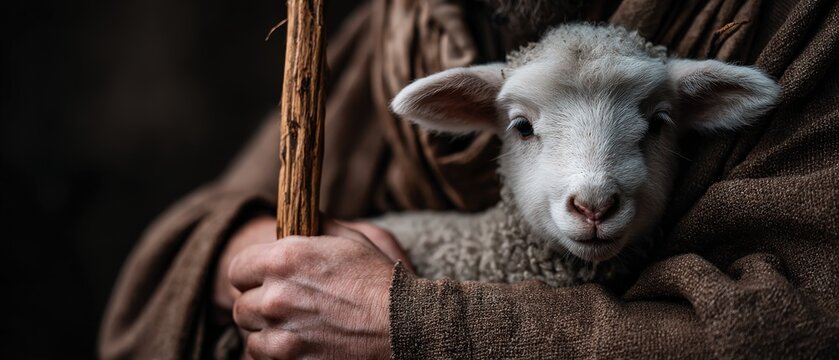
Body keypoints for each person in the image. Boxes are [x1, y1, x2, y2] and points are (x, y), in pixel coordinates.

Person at [100, 0, 839, 358]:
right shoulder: (409, 23)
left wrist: (411, 323)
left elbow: (799, 328)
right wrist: (286, 265)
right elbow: (209, 223)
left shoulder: (790, 24)